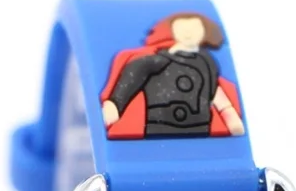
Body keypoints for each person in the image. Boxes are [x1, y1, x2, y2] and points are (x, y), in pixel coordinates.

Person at [101, 12, 245, 139]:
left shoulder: (207, 63)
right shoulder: (159, 60)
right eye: (181, 27)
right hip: (161, 128)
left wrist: (229, 114)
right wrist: (115, 104)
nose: (188, 32)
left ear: (205, 30)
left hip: (200, 129)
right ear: (172, 29)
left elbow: (213, 90)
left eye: (195, 27)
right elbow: (137, 71)